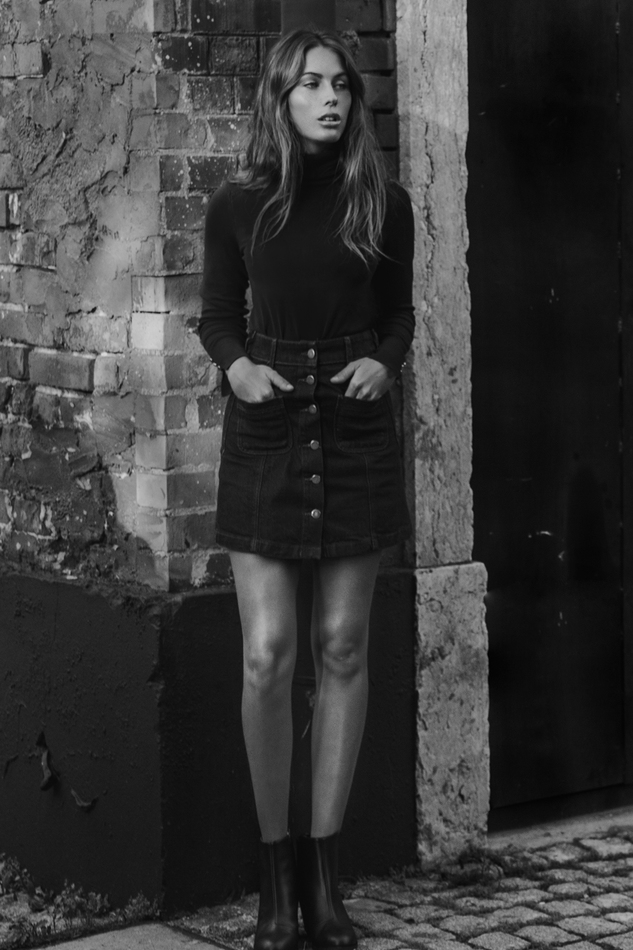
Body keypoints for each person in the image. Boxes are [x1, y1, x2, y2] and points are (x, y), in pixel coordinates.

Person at [198, 27, 415, 950]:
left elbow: (398, 314)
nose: (331, 98)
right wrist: (236, 367)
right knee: (268, 654)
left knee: (342, 646)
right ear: (280, 98)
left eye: (341, 86)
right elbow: (216, 316)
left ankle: (324, 888)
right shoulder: (238, 203)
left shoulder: (382, 202)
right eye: (311, 85)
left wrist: (385, 361)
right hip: (268, 426)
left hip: (355, 428)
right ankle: (274, 884)